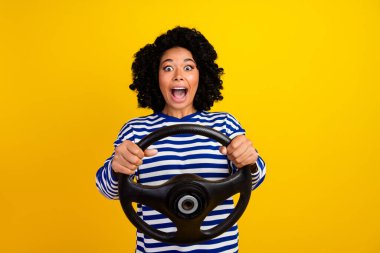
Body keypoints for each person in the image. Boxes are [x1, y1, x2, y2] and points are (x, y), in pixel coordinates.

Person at [96, 26, 266, 253]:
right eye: (168, 68)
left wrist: (248, 160)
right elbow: (107, 190)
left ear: (201, 75)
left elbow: (255, 179)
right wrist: (118, 167)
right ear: (155, 77)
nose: (178, 75)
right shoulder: (136, 130)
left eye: (188, 67)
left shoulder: (224, 124)